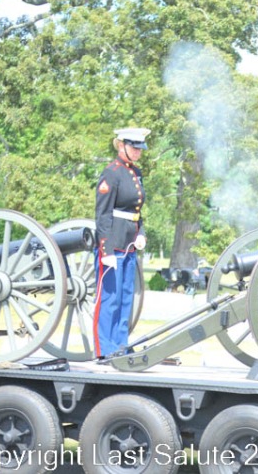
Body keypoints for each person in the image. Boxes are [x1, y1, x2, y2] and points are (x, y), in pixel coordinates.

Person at [94, 127, 150, 359]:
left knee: (126, 297)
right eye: (134, 148)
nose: (138, 152)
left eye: (140, 148)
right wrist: (105, 249)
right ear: (121, 146)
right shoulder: (111, 173)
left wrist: (141, 233)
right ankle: (105, 349)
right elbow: (103, 215)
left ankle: (120, 344)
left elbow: (137, 211)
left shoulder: (136, 173)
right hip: (113, 242)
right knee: (110, 299)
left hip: (129, 243)